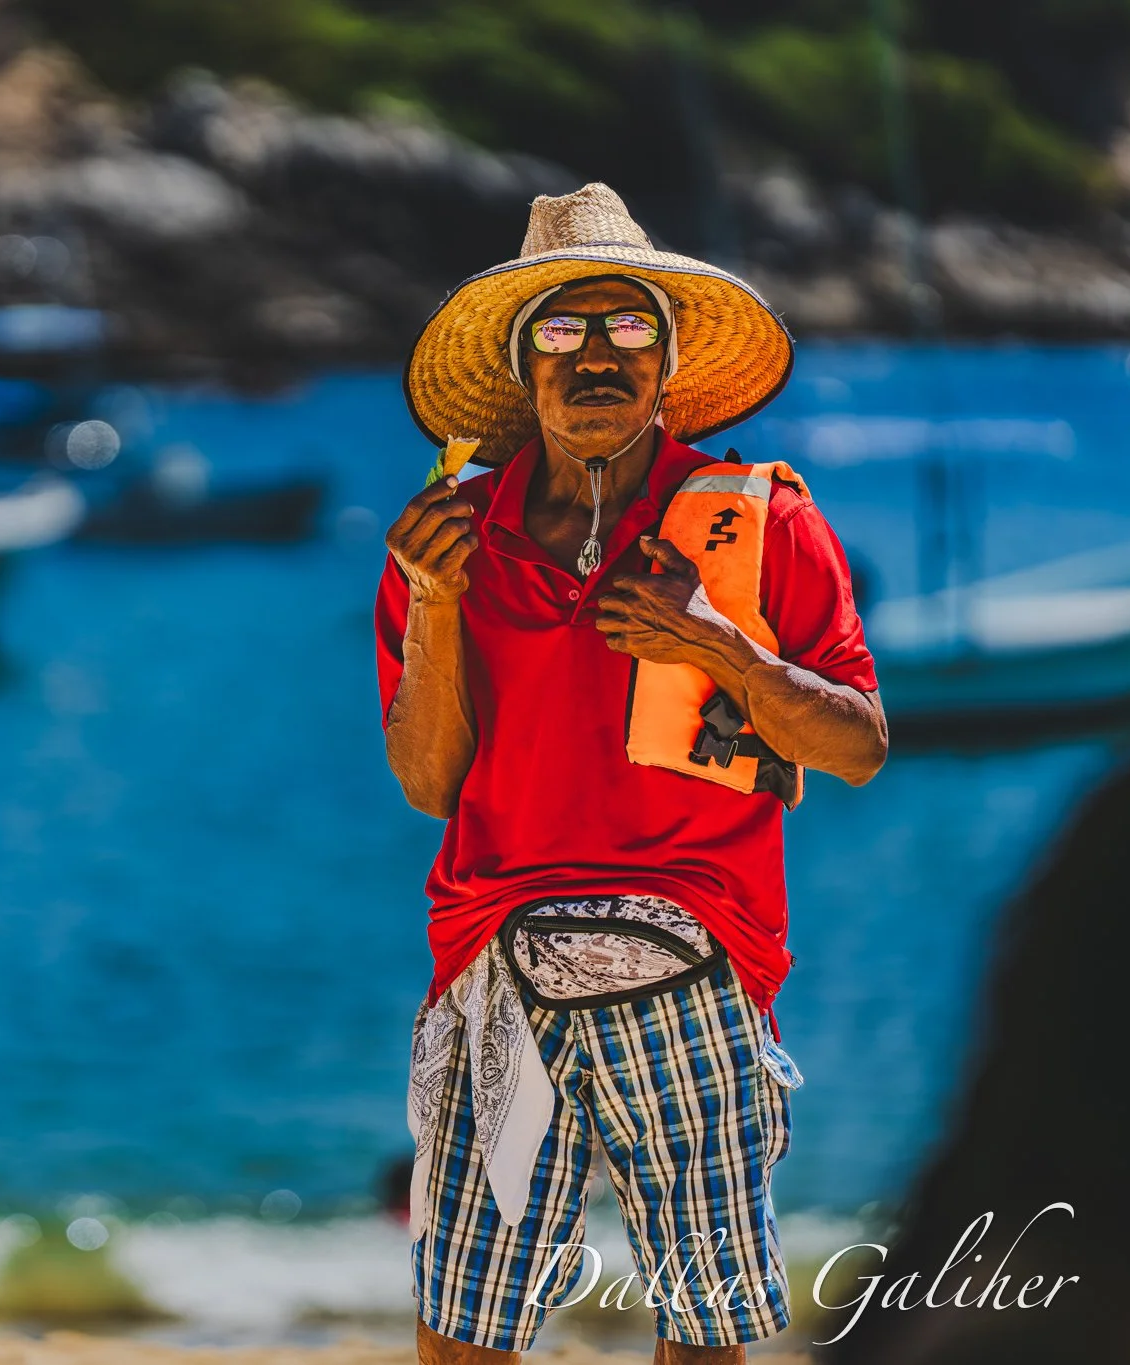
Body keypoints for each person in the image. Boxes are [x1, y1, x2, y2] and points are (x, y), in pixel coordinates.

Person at [377, 183, 886, 1363]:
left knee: (703, 1332)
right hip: (492, 961)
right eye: (560, 331)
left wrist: (709, 639)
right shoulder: (439, 541)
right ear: (521, 368)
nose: (594, 356)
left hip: (695, 948)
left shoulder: (754, 528)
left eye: (626, 331)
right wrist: (442, 605)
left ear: (665, 362)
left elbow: (854, 743)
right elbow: (426, 780)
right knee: (460, 1330)